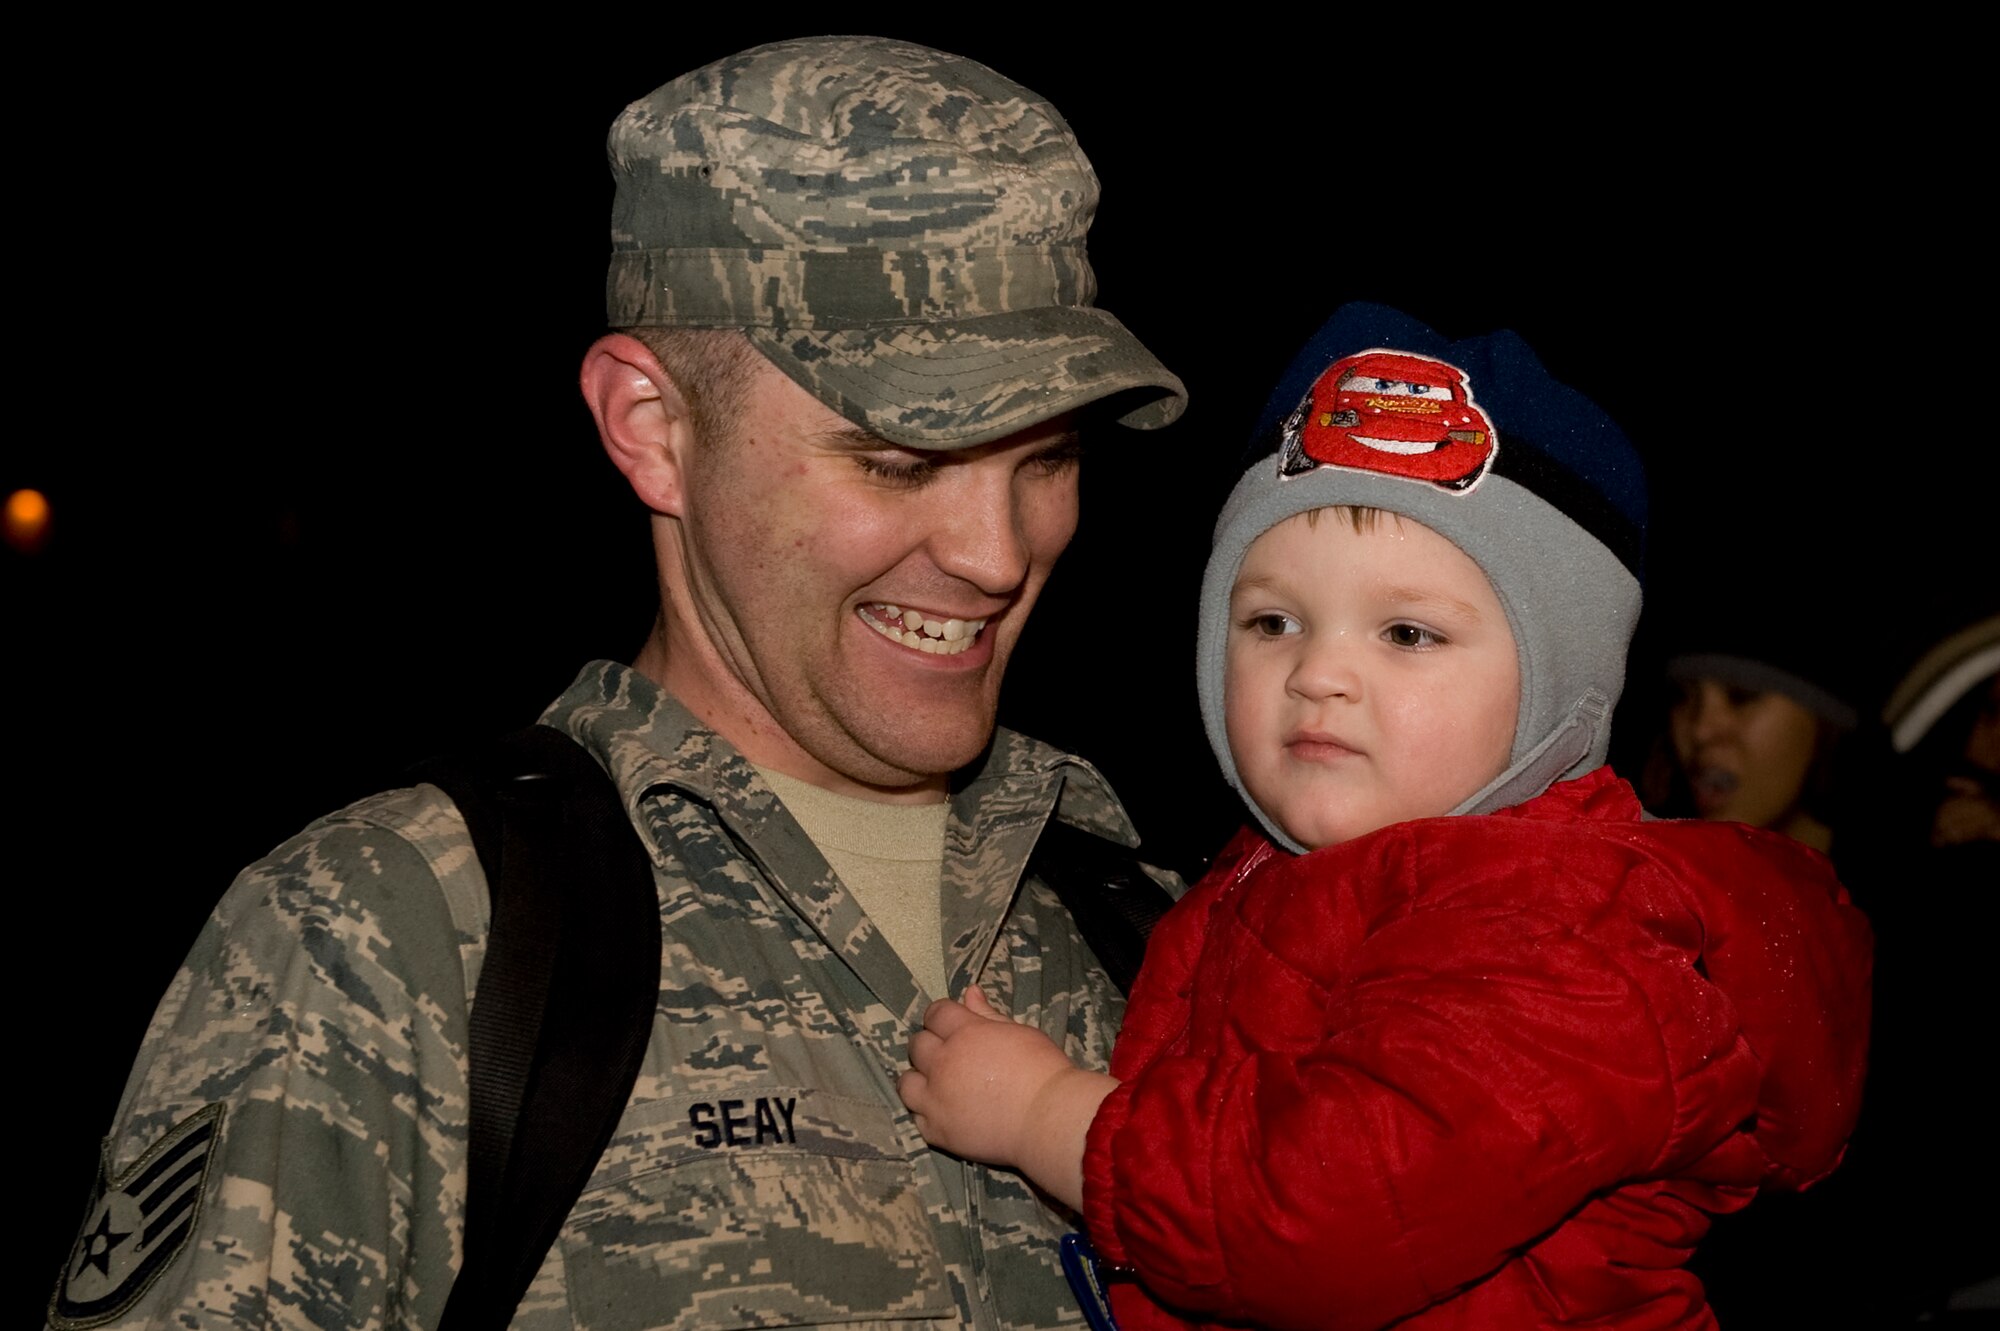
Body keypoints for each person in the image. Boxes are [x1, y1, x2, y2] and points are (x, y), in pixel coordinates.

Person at [48, 36, 1186, 1331]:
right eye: (899, 459)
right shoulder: (400, 941)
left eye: (1048, 456)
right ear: (653, 425)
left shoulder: (1173, 932)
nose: (998, 552)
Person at [900, 303, 1873, 1330]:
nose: (1317, 672)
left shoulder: (1560, 929)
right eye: (1272, 620)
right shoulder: (1274, 878)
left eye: (1407, 633)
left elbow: (1324, 1215)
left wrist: (1046, 1112)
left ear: (1560, 689)